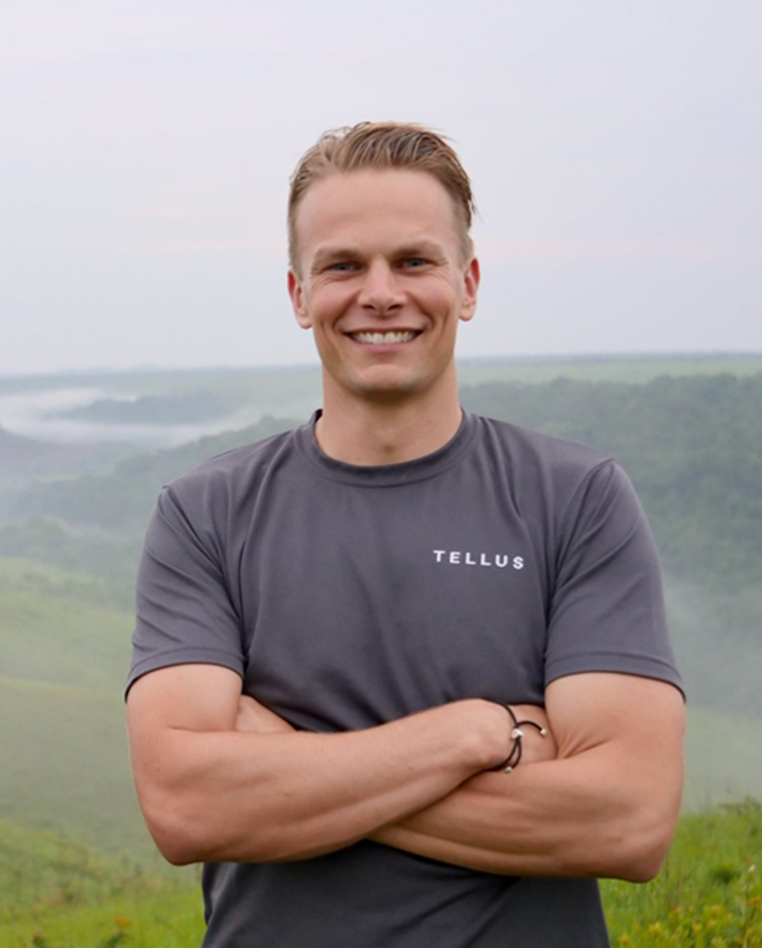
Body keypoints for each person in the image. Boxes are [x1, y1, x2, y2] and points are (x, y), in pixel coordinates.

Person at [126, 122, 685, 947]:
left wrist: (292, 769)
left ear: (468, 283)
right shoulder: (206, 514)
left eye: (415, 261)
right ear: (298, 295)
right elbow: (185, 808)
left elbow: (628, 821)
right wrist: (475, 734)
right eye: (343, 266)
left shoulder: (577, 500)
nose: (381, 294)